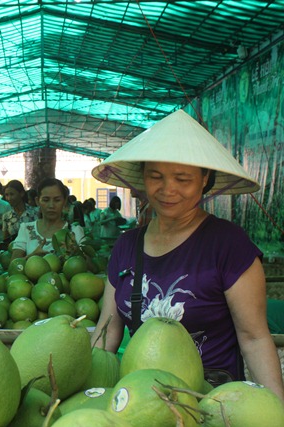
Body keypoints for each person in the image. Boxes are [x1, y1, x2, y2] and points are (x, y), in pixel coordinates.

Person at [91, 109, 284, 400]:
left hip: (210, 402)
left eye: (183, 179)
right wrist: (87, 397)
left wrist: (276, 409)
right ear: (143, 178)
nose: (168, 190)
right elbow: (105, 335)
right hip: (141, 399)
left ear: (205, 180)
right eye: (156, 176)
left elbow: (254, 338)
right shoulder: (126, 246)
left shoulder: (229, 245)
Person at [11, 178, 84, 260]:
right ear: (37, 201)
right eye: (46, 200)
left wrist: (78, 252)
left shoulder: (74, 231)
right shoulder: (26, 229)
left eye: (57, 200)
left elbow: (92, 268)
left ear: (64, 201)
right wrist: (31, 257)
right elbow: (14, 265)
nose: (51, 205)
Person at [1, 179, 38, 247]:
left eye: (12, 194)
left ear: (21, 194)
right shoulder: (6, 217)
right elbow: (6, 240)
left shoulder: (35, 213)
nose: (9, 198)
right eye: (6, 195)